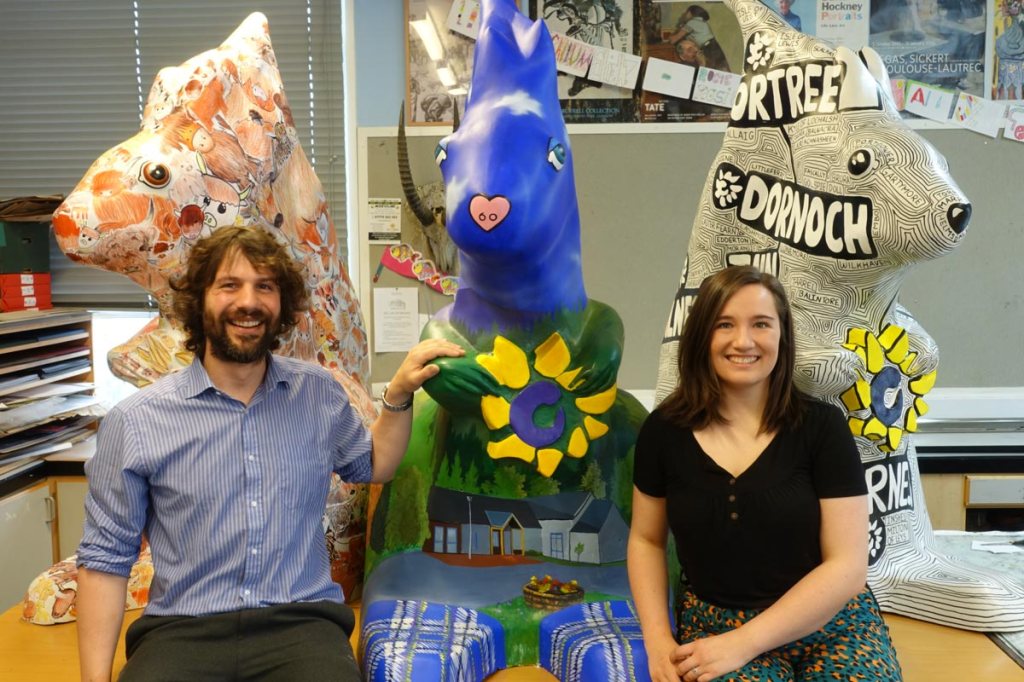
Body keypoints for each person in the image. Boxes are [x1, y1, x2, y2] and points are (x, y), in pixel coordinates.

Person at [75, 226, 464, 682]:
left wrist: (397, 394)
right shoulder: (135, 421)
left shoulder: (317, 393)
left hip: (301, 627)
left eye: (265, 286)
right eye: (229, 285)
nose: (249, 301)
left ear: (281, 305)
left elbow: (375, 464)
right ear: (199, 302)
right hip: (182, 632)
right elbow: (105, 560)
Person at [627, 266, 902, 682]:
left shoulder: (822, 427)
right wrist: (657, 639)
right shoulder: (663, 432)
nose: (743, 341)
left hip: (831, 625)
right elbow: (646, 540)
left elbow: (847, 565)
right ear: (702, 336)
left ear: (781, 335)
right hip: (714, 627)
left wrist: (746, 642)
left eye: (761, 324)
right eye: (725, 324)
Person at [667, 5, 730, 72]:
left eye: (686, 12)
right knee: (721, 70)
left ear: (690, 13)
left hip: (709, 49)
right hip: (714, 47)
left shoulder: (692, 23)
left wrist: (671, 35)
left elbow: (673, 40)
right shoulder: (700, 21)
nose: (684, 15)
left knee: (714, 71)